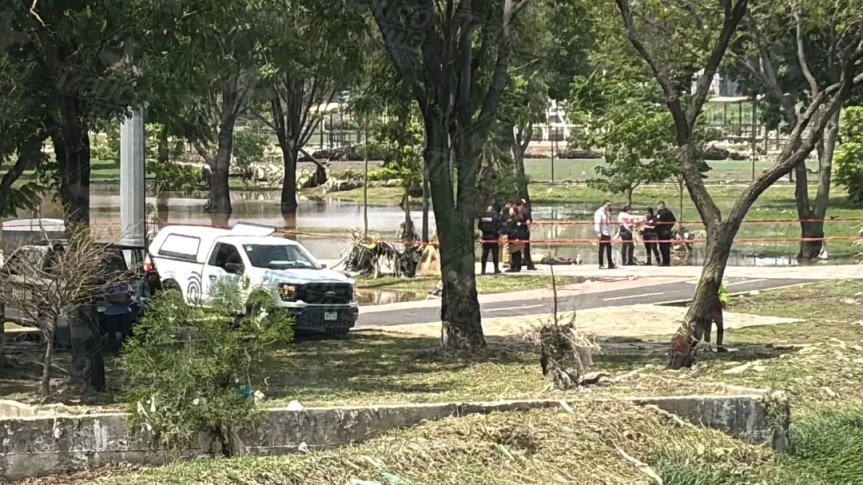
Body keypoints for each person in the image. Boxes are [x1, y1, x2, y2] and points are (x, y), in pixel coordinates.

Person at [704, 282, 728, 352]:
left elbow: (723, 292)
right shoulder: (704, 281)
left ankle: (719, 345)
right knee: (707, 326)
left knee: (720, 325)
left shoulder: (719, 282)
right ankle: (707, 345)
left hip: (716, 305)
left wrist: (723, 301)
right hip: (707, 305)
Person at [478, 205, 502, 274]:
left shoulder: (483, 216)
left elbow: (479, 226)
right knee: (495, 254)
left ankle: (483, 270)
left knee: (484, 254)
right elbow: (499, 226)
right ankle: (496, 269)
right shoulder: (496, 216)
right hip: (494, 237)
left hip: (485, 237)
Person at [593, 200, 615, 269]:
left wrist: (610, 214)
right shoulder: (599, 212)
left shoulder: (607, 212)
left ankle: (610, 263)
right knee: (602, 248)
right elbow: (597, 222)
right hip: (602, 232)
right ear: (604, 205)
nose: (609, 206)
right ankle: (601, 263)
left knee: (609, 248)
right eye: (608, 205)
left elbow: (609, 221)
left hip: (607, 232)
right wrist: (598, 232)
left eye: (610, 205)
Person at [516, 199, 537, 270]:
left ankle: (516, 265)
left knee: (516, 249)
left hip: (515, 232)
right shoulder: (525, 210)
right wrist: (529, 230)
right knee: (526, 249)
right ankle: (529, 265)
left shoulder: (514, 211)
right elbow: (528, 221)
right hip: (524, 232)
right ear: (522, 204)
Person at [655, 201, 677, 266]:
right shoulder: (669, 212)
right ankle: (667, 261)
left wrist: (655, 227)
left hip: (661, 231)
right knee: (667, 247)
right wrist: (669, 227)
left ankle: (664, 262)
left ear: (659, 206)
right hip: (668, 232)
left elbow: (657, 221)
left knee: (662, 247)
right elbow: (674, 220)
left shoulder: (660, 212)